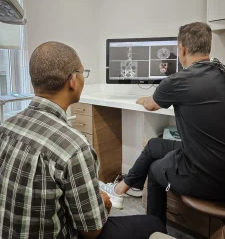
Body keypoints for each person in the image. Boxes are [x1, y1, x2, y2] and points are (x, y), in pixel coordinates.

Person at [0, 42, 166, 239]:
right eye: (82, 72)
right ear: (72, 80)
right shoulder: (74, 148)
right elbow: (92, 231)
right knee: (153, 223)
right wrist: (101, 202)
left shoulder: (6, 128)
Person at [100, 22, 225, 226]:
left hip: (206, 178)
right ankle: (119, 191)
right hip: (217, 165)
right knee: (153, 145)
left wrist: (143, 99)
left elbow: (151, 105)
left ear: (182, 49)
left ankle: (156, 229)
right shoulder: (221, 72)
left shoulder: (177, 81)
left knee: (156, 169)